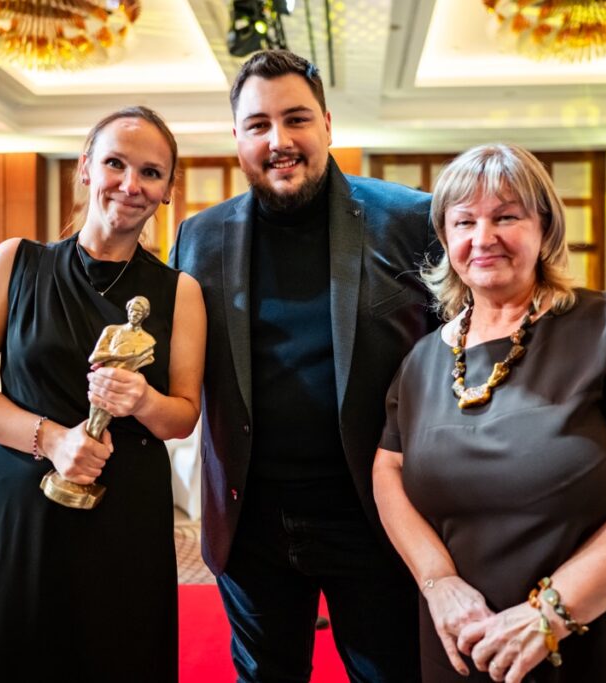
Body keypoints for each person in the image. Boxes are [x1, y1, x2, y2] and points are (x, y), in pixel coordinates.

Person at [373, 143, 606, 682]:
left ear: (545, 229)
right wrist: (438, 582)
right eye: (464, 222)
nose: (484, 237)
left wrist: (550, 614)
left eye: (506, 217)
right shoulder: (423, 359)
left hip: (598, 631)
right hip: (465, 639)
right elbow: (388, 471)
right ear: (446, 239)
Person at [170, 49, 437, 682]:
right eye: (258, 125)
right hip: (250, 521)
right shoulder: (198, 238)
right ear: (237, 137)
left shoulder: (409, 219)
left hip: (374, 516)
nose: (279, 141)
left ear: (327, 124)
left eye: (296, 119)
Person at [0, 106, 206, 681]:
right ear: (86, 168)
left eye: (151, 173)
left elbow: (183, 417)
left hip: (126, 509)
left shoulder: (180, 291)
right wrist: (54, 440)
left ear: (167, 190)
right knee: (7, 656)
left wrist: (142, 401)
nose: (130, 185)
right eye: (115, 163)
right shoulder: (17, 262)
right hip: (23, 495)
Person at [87, 295, 156, 437]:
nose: (134, 314)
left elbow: (148, 357)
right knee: (93, 423)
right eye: (132, 310)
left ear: (145, 314)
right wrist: (119, 355)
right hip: (102, 383)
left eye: (138, 312)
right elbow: (93, 357)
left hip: (124, 390)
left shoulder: (148, 341)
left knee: (102, 422)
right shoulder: (112, 331)